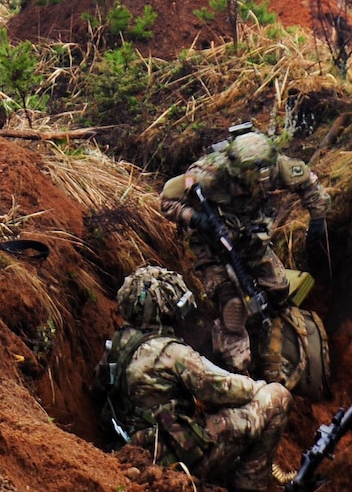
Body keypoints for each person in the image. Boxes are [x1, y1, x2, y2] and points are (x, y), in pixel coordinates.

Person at [159, 126, 330, 387]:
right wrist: (196, 219)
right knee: (232, 306)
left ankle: (272, 340)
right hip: (212, 245)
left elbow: (309, 183)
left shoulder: (273, 168)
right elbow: (166, 201)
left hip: (251, 238)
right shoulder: (207, 175)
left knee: (279, 290)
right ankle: (237, 371)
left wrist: (318, 220)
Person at [97, 265, 292, 492]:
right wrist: (257, 386)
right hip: (176, 458)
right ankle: (248, 485)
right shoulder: (173, 353)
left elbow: (99, 388)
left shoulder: (116, 346)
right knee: (277, 396)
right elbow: (227, 389)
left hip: (132, 450)